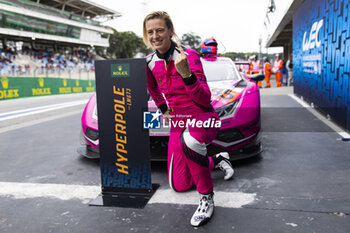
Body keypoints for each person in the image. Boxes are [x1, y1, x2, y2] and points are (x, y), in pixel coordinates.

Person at [143, 11, 234, 227]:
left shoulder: (189, 56)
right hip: (178, 122)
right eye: (150, 32)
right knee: (179, 184)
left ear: (170, 31)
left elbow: (204, 97)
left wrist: (187, 75)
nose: (155, 36)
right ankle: (218, 159)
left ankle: (206, 198)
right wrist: (163, 107)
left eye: (160, 30)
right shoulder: (148, 62)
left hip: (202, 115)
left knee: (191, 141)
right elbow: (152, 88)